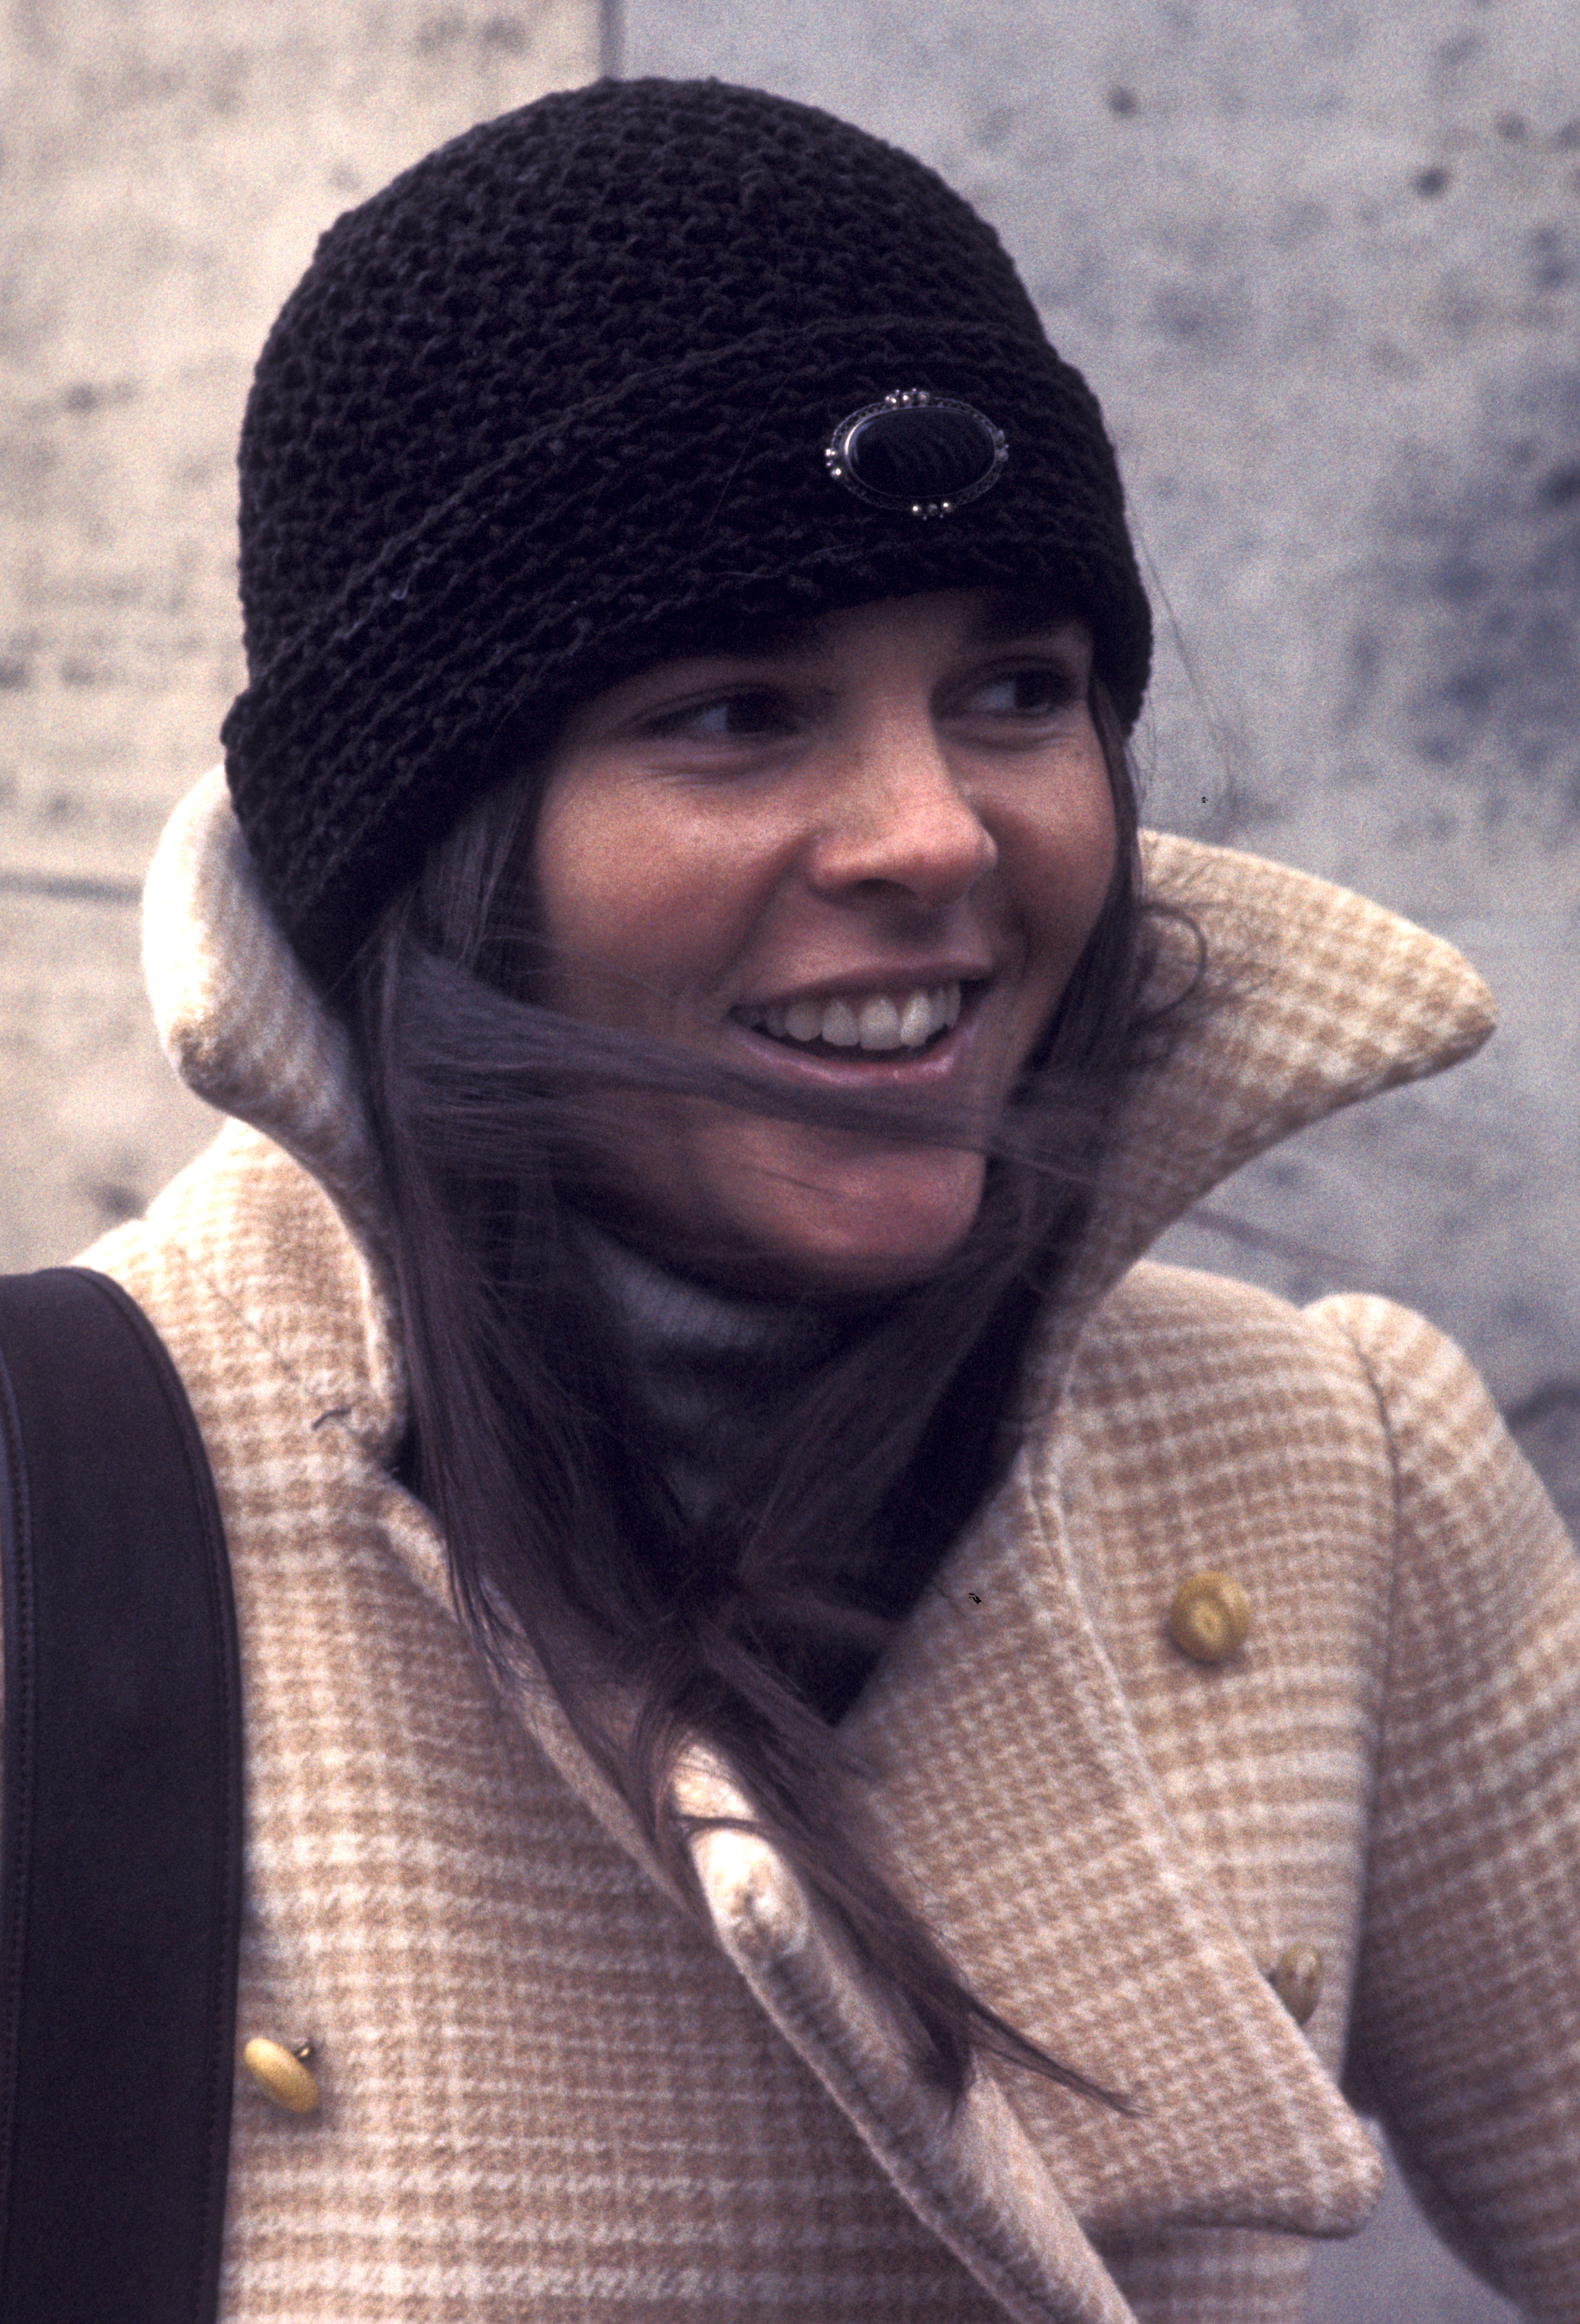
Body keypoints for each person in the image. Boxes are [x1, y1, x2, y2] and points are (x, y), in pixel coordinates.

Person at [76, 76, 1578, 2323]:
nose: (939, 834)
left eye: (1013, 687)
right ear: (438, 857)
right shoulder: (67, 1524)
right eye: (735, 714)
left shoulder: (1332, 1476)